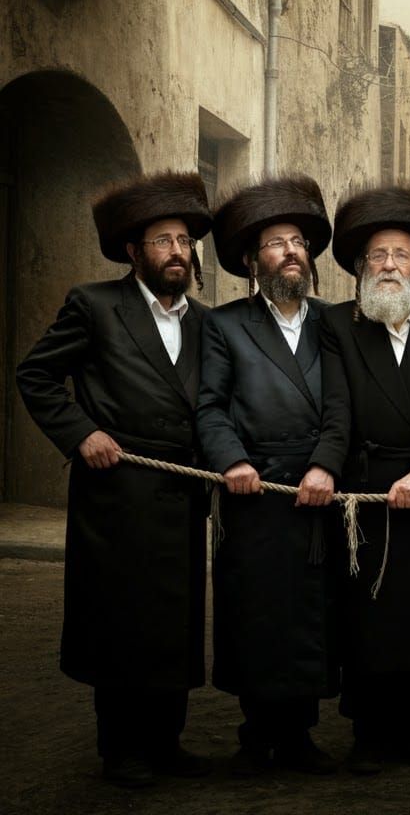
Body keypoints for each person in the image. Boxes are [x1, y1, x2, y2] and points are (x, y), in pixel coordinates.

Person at [16, 171, 212, 788]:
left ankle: (166, 742)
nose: (177, 251)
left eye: (184, 241)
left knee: (175, 620)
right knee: (123, 619)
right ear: (133, 251)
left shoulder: (206, 322)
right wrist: (81, 433)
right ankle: (122, 748)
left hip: (182, 489)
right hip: (117, 491)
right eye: (163, 241)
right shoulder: (94, 305)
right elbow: (36, 375)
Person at [308, 183, 410, 775]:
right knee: (366, 615)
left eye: (402, 255)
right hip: (364, 492)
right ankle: (369, 733)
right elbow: (337, 408)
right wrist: (326, 465)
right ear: (359, 267)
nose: (390, 265)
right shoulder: (338, 325)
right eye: (378, 255)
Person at [196, 174, 338, 776]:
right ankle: (256, 736)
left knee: (309, 614)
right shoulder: (224, 324)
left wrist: (326, 464)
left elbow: (343, 407)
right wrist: (232, 461)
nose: (291, 251)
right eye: (277, 243)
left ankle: (300, 736)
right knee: (255, 615)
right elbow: (209, 406)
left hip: (315, 492)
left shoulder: (333, 322)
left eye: (299, 242)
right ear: (253, 262)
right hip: (252, 493)